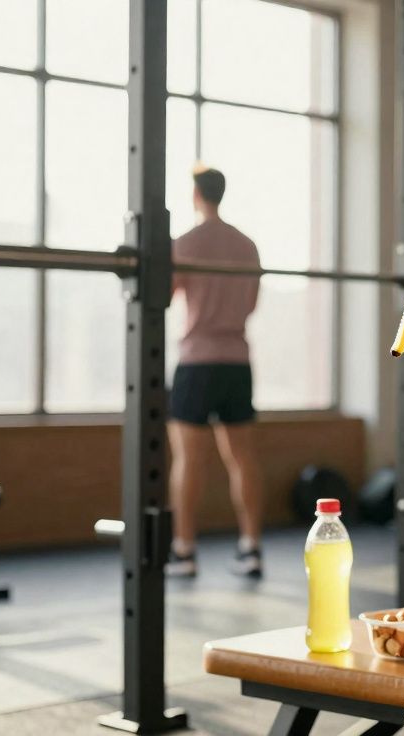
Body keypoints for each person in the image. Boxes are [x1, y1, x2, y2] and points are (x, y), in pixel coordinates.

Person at [165, 165, 264, 578]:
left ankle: (184, 551)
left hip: (198, 359)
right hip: (236, 361)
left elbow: (165, 297)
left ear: (195, 194)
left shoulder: (185, 243)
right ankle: (251, 548)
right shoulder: (247, 245)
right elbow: (252, 303)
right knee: (241, 458)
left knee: (189, 458)